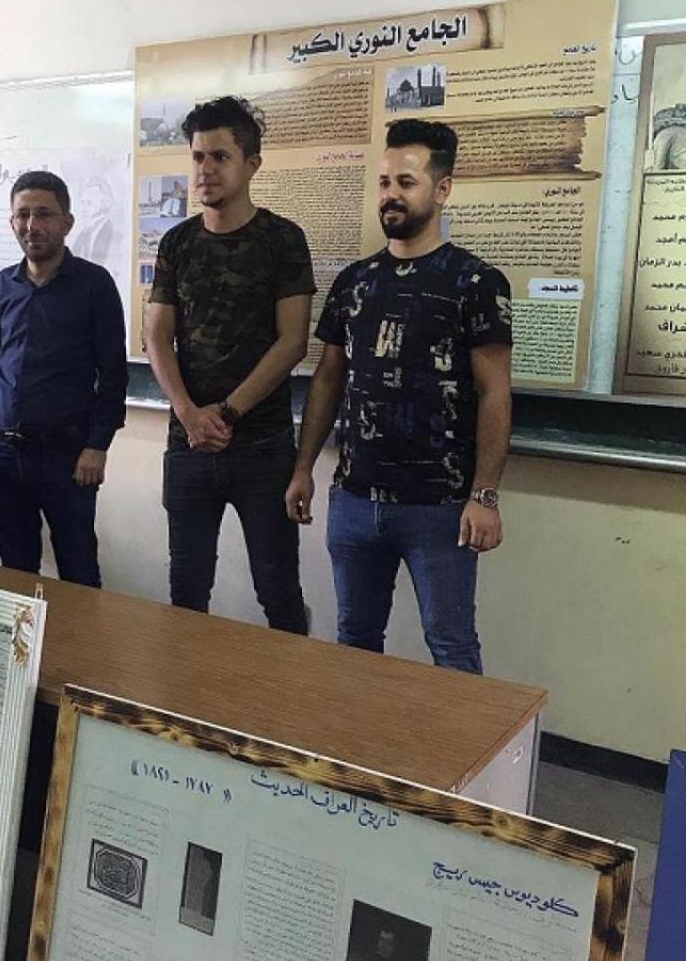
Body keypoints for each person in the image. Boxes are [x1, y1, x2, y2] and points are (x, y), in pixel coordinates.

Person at [286, 119, 512, 673]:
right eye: (385, 182)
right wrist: (303, 470)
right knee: (356, 639)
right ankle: (357, 734)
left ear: (442, 188)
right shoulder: (355, 281)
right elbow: (328, 380)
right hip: (355, 499)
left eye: (406, 182)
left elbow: (494, 392)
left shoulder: (477, 283)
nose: (391, 194)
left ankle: (465, 738)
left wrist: (484, 496)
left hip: (439, 507)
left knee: (451, 647)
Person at [145, 95, 315, 634]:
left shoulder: (282, 240)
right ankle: (186, 687)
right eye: (198, 157)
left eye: (220, 157)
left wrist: (226, 413)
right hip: (189, 444)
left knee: (278, 591)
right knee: (187, 589)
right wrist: (189, 413)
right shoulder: (177, 243)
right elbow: (156, 336)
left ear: (252, 164)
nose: (205, 169)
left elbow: (292, 342)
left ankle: (289, 684)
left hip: (261, 446)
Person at [0, 170, 128, 587]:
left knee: (78, 572)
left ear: (67, 223)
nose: (32, 226)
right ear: (11, 222)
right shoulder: (4, 284)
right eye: (22, 215)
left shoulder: (94, 285)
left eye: (44, 214)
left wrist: (97, 446)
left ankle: (79, 636)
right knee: (14, 575)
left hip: (67, 458)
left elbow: (113, 375)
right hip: (1, 454)